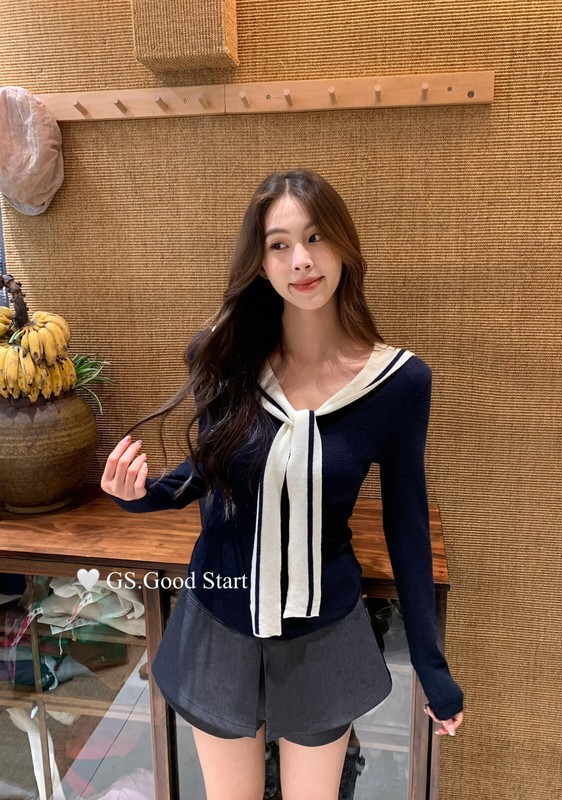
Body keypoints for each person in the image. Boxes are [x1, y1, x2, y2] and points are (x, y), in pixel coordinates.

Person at [101, 167, 465, 800]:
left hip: (323, 634)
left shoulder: (398, 384)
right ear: (261, 263)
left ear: (344, 246)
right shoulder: (228, 356)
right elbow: (208, 472)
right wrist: (143, 496)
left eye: (316, 237)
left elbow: (407, 523)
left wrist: (431, 665)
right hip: (219, 624)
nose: (301, 259)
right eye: (279, 244)